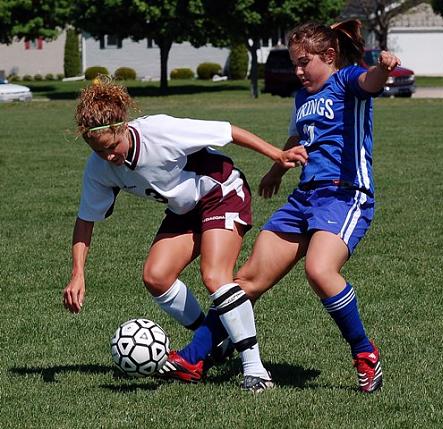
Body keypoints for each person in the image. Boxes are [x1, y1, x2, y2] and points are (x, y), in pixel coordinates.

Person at [163, 19, 401, 394]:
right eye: (295, 63)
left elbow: (369, 82)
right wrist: (276, 169)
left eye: (305, 62)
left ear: (330, 56)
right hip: (304, 198)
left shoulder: (346, 80)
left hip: (345, 194)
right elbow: (298, 136)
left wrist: (384, 69)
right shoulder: (303, 97)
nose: (298, 70)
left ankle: (365, 354)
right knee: (245, 281)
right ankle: (195, 358)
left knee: (320, 271)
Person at [61, 77, 307, 392]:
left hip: (222, 192)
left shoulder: (159, 131)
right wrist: (78, 273)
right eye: (99, 151)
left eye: (112, 148)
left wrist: (277, 155)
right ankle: (211, 341)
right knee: (156, 276)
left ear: (124, 127)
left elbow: (228, 131)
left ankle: (255, 371)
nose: (109, 157)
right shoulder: (99, 167)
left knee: (215, 277)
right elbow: (86, 219)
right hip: (185, 209)